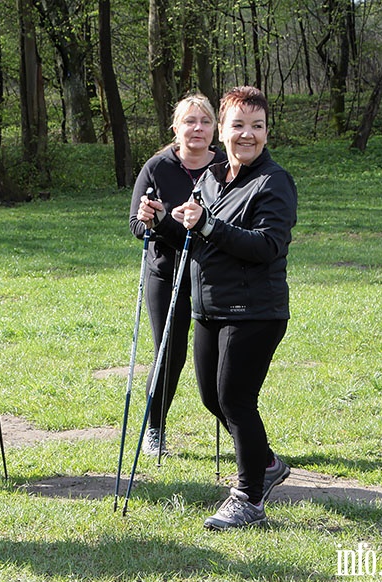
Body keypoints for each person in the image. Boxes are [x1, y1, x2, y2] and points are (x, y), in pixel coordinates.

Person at [171, 86, 296, 530]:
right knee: (212, 398)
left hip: (255, 311)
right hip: (209, 307)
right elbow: (200, 232)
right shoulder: (213, 177)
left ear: (267, 132)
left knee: (236, 399)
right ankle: (266, 465)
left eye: (257, 126)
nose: (248, 135)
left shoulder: (273, 182)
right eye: (239, 125)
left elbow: (267, 245)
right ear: (222, 130)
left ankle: (248, 498)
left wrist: (208, 225)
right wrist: (163, 221)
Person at [129, 93, 224, 457]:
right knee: (169, 352)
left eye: (204, 122)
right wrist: (151, 219)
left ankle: (238, 429)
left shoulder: (226, 167)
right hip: (166, 273)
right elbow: (137, 226)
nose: (197, 129)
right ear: (175, 128)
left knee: (217, 358)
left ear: (214, 128)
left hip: (214, 275)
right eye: (189, 122)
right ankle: (155, 429)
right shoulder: (157, 167)